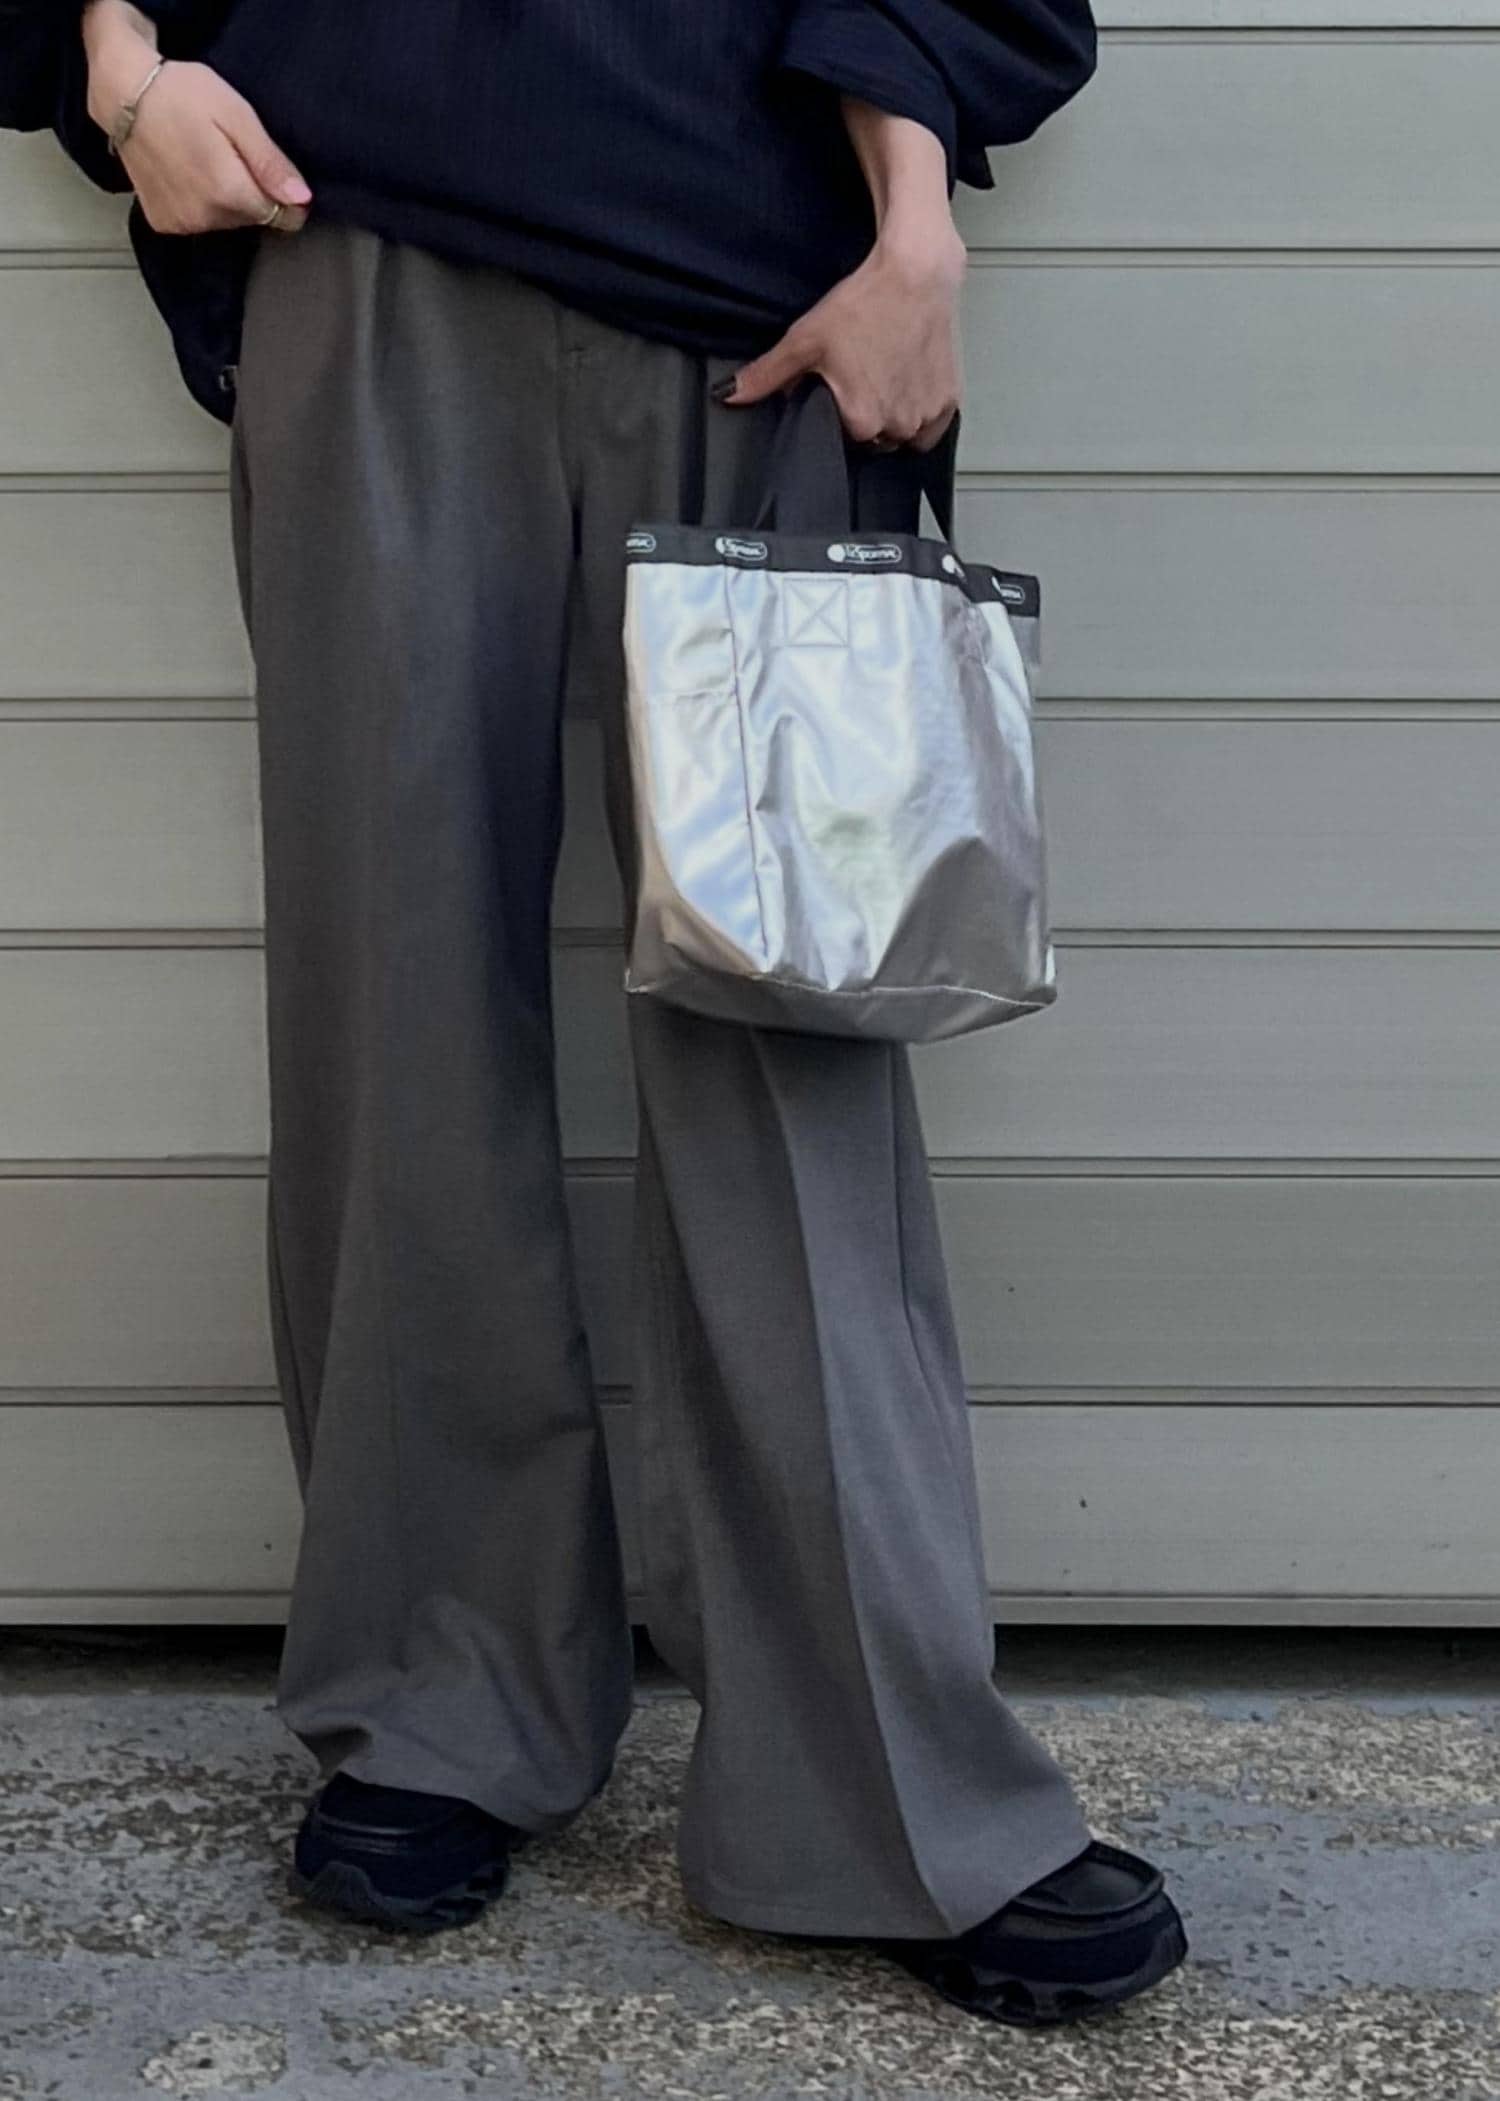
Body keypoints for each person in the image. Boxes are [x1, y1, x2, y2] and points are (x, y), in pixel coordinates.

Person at [2, 0, 1187, 2026]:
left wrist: (915, 233)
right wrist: (127, 81)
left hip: (763, 287)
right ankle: (438, 1696)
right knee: (392, 1012)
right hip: (355, 245)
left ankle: (885, 1784)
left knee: (792, 1032)